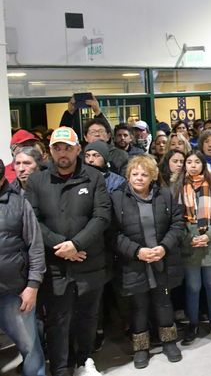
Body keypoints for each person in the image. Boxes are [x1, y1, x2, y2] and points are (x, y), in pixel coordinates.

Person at [25, 127, 111, 376]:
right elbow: (33, 220)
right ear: (50, 151)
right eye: (56, 148)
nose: (62, 153)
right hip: (55, 265)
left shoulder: (94, 177)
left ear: (77, 149)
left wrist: (77, 245)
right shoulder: (37, 180)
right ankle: (61, 368)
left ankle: (85, 361)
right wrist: (62, 246)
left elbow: (102, 216)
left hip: (89, 261)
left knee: (87, 317)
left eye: (67, 147)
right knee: (58, 321)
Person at [110, 155, 184, 368]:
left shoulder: (166, 195)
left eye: (144, 174)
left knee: (163, 302)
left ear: (152, 176)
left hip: (162, 259)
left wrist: (164, 247)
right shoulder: (117, 198)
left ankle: (169, 341)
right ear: (128, 176)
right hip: (134, 262)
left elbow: (177, 224)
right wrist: (137, 251)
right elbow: (113, 234)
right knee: (138, 306)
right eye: (135, 174)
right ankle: (141, 347)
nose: (139, 178)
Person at [174, 150, 211, 345]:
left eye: (197, 162)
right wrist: (191, 237)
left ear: (203, 165)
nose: (193, 165)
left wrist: (209, 234)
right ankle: (193, 323)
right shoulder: (177, 186)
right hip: (189, 243)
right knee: (193, 286)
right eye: (189, 162)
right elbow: (175, 217)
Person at [0, 159, 46, 376]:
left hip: (15, 290)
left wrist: (32, 286)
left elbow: (35, 246)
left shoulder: (19, 204)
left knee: (29, 346)